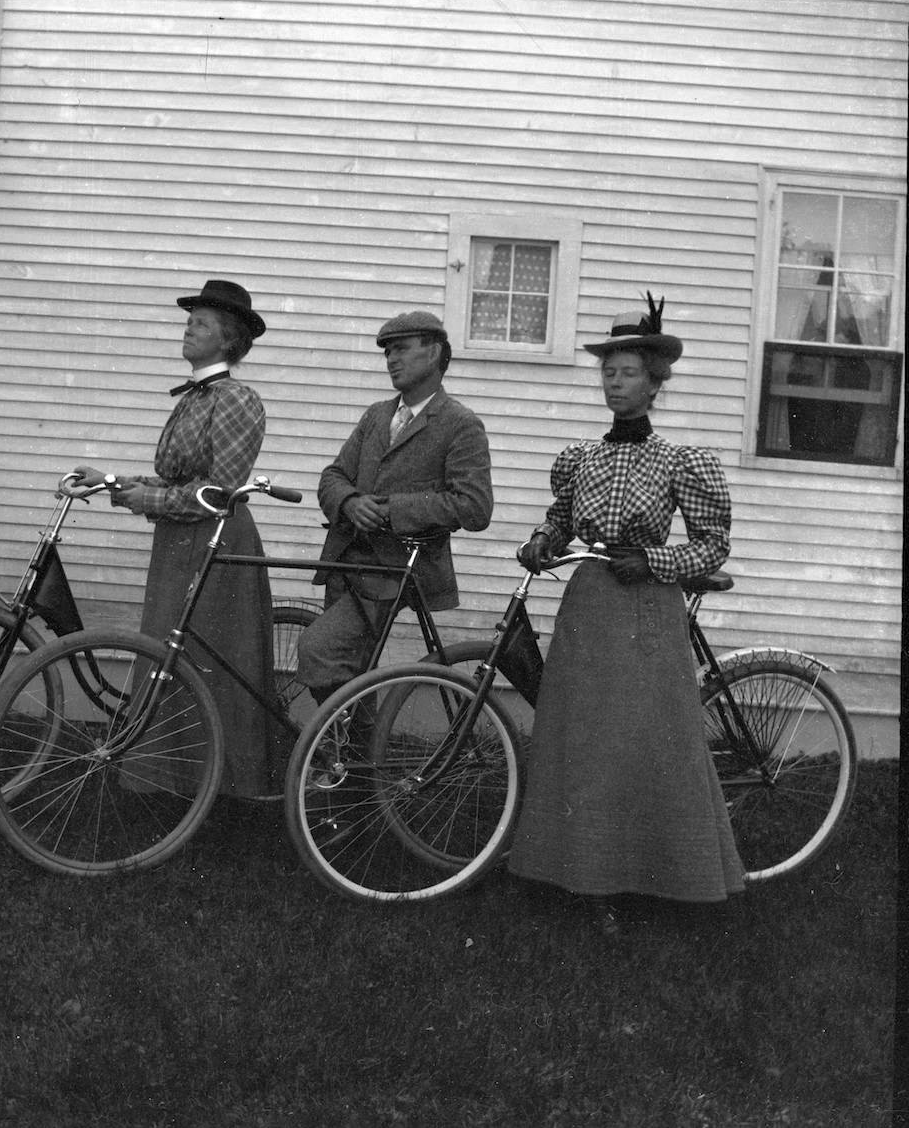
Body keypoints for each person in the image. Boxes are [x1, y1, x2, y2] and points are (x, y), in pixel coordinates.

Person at [508, 294, 744, 929]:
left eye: (630, 372)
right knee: (581, 739)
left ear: (654, 382)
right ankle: (585, 877)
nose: (616, 382)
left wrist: (658, 563)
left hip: (647, 611)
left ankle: (659, 874)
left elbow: (712, 544)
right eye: (608, 372)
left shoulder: (679, 460)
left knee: (644, 741)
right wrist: (542, 544)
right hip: (589, 606)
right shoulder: (582, 458)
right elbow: (561, 520)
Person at [72, 279, 277, 797]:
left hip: (215, 543)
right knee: (168, 657)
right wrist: (115, 482)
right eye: (190, 319)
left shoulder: (235, 399)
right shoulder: (198, 396)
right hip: (179, 541)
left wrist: (141, 499)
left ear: (229, 341)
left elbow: (216, 494)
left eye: (202, 322)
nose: (189, 326)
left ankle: (220, 785)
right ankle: (171, 780)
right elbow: (179, 482)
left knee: (204, 665)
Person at [296, 310, 494, 705]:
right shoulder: (377, 415)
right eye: (387, 352)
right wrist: (349, 502)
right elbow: (333, 477)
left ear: (435, 353)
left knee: (318, 650)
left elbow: (474, 506)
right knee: (351, 669)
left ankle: (353, 754)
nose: (391, 360)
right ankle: (359, 763)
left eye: (401, 349)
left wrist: (390, 510)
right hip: (347, 562)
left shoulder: (459, 424)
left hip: (399, 568)